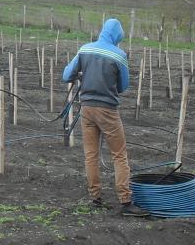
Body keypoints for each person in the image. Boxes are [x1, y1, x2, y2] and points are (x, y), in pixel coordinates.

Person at [62, 18, 150, 217]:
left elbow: (67, 75)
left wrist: (83, 75)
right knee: (119, 155)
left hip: (86, 109)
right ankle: (126, 201)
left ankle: (95, 197)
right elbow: (123, 86)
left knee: (91, 155)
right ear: (117, 36)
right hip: (108, 111)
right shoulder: (119, 55)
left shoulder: (85, 49)